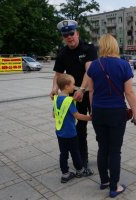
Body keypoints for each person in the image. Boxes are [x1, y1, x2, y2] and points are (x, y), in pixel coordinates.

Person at [87, 34, 136, 198]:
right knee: (115, 150)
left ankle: (104, 181)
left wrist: (92, 111)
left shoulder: (93, 66)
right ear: (115, 46)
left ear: (101, 46)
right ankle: (114, 187)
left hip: (98, 112)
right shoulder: (123, 65)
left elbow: (91, 91)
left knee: (103, 147)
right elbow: (129, 92)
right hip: (116, 112)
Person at [50, 20, 98, 172]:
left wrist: (82, 89)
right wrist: (54, 88)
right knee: (80, 129)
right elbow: (58, 74)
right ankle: (82, 160)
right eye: (66, 35)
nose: (69, 37)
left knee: (99, 124)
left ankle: (106, 156)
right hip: (74, 95)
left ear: (77, 33)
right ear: (63, 37)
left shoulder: (88, 48)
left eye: (71, 33)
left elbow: (89, 71)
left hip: (90, 92)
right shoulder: (63, 52)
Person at [53, 74, 94, 183]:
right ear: (66, 86)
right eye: (73, 84)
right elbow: (77, 116)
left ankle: (65, 174)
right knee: (75, 152)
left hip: (60, 132)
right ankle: (80, 170)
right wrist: (90, 118)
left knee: (63, 153)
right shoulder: (68, 101)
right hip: (70, 133)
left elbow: (54, 114)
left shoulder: (57, 98)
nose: (74, 86)